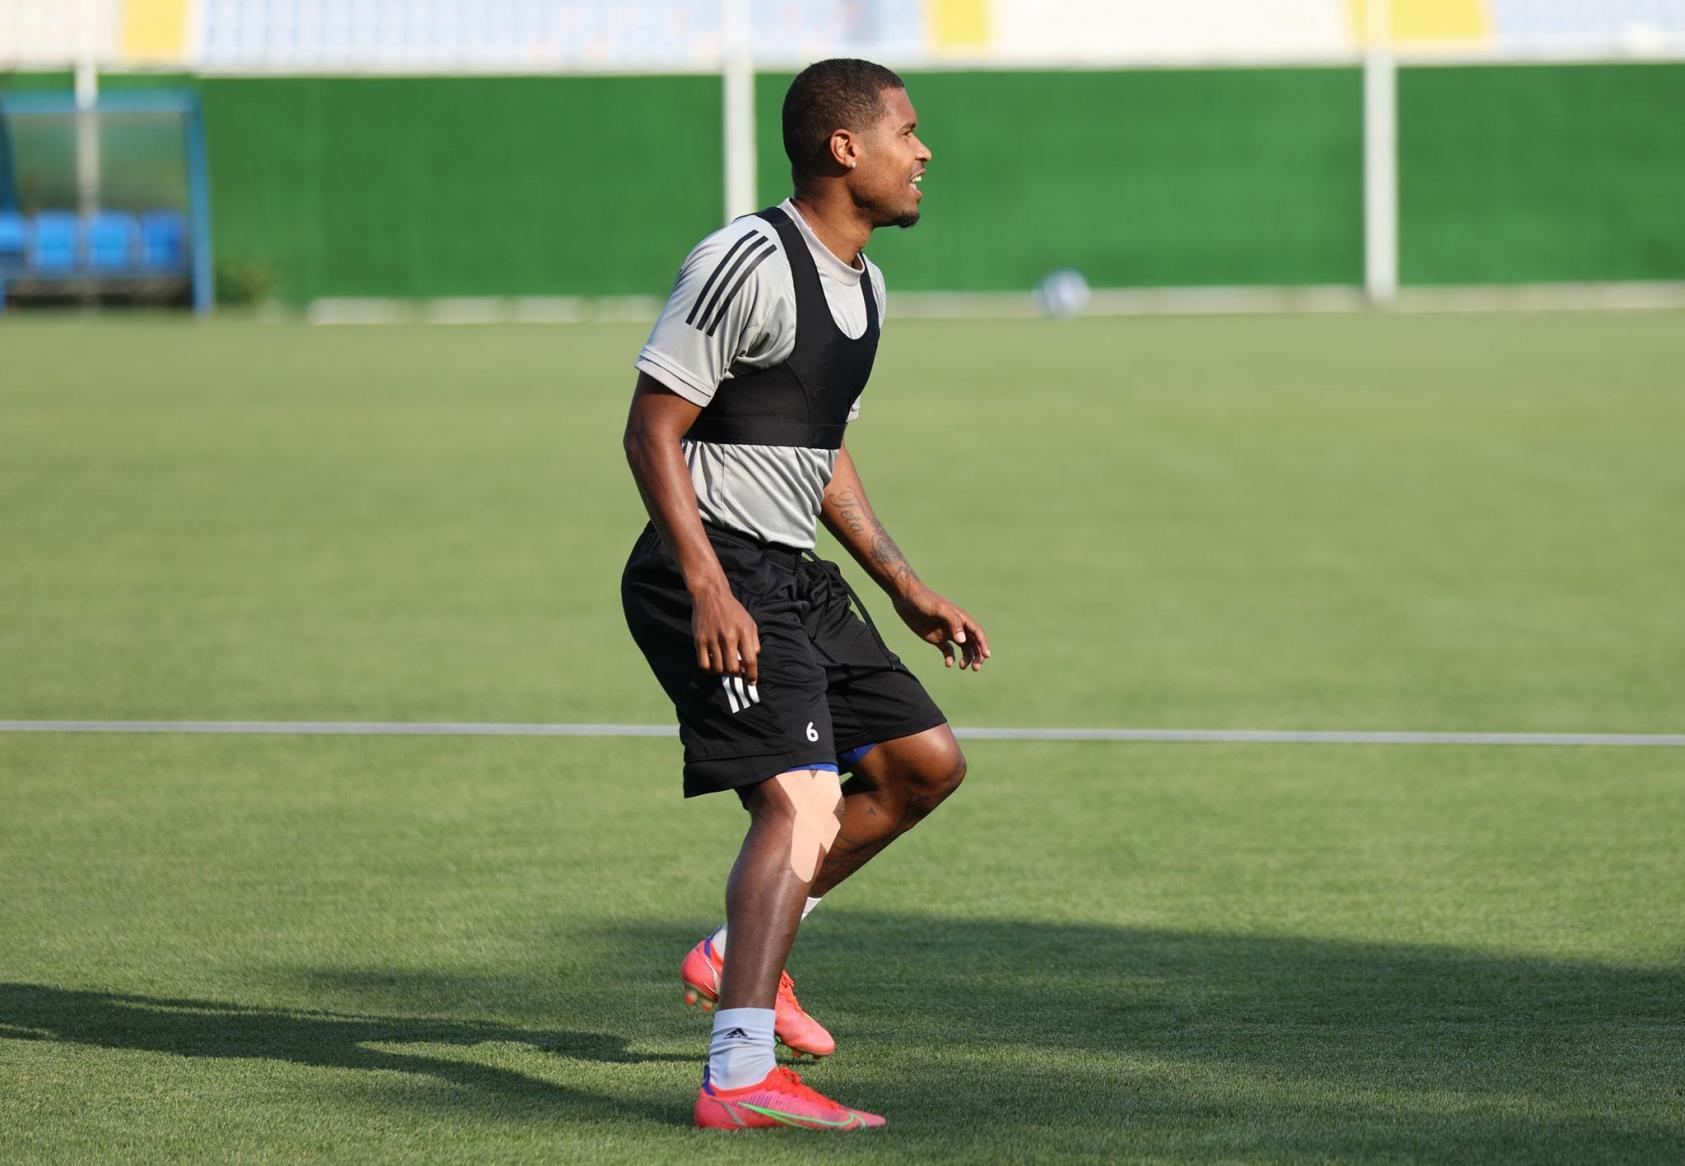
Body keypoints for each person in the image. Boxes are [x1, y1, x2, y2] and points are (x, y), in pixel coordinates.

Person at [620, 57, 989, 1132]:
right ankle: (737, 1076)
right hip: (708, 568)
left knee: (921, 766)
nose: (922, 152)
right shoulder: (746, 258)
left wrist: (904, 583)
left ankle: (734, 951)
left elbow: (817, 455)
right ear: (843, 147)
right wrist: (706, 586)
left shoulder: (865, 286)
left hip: (789, 571)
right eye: (905, 132)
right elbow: (649, 429)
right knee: (802, 798)